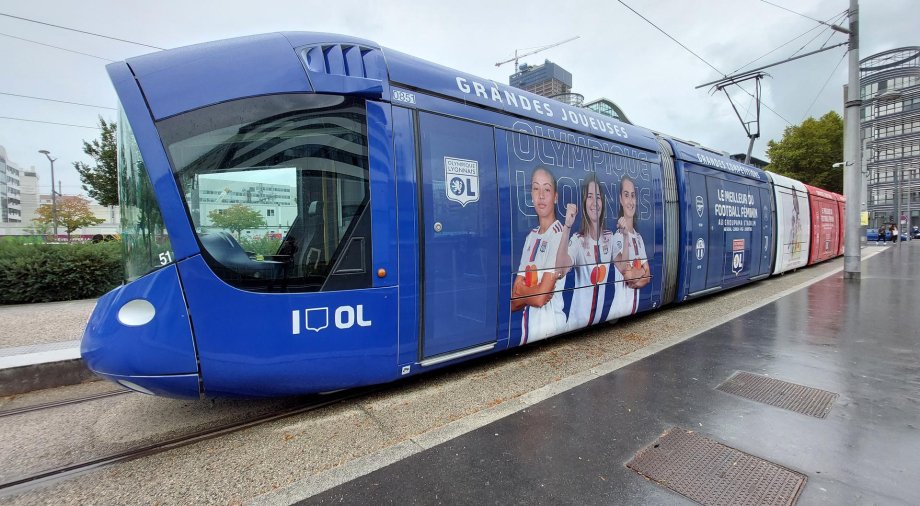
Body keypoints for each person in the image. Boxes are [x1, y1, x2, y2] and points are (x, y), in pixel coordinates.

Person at [511, 167, 567, 345]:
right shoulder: (531, 237)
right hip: (529, 332)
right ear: (531, 194)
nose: (541, 195)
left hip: (552, 329)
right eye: (536, 188)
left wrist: (524, 292)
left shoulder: (559, 235)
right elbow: (513, 301)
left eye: (547, 189)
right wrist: (532, 293)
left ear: (555, 197)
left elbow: (541, 297)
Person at [556, 174, 617, 330]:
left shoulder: (609, 238)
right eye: (590, 197)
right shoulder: (577, 240)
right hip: (576, 323)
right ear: (584, 203)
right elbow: (560, 270)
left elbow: (626, 269)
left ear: (602, 202)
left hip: (599, 324)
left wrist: (625, 235)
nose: (594, 202)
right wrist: (567, 227)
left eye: (598, 197)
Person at [610, 176, 650, 318]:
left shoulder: (639, 238)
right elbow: (628, 276)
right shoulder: (617, 238)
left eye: (633, 196)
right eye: (626, 195)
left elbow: (648, 276)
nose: (630, 201)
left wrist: (637, 274)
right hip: (619, 310)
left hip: (633, 310)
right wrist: (641, 273)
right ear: (621, 199)